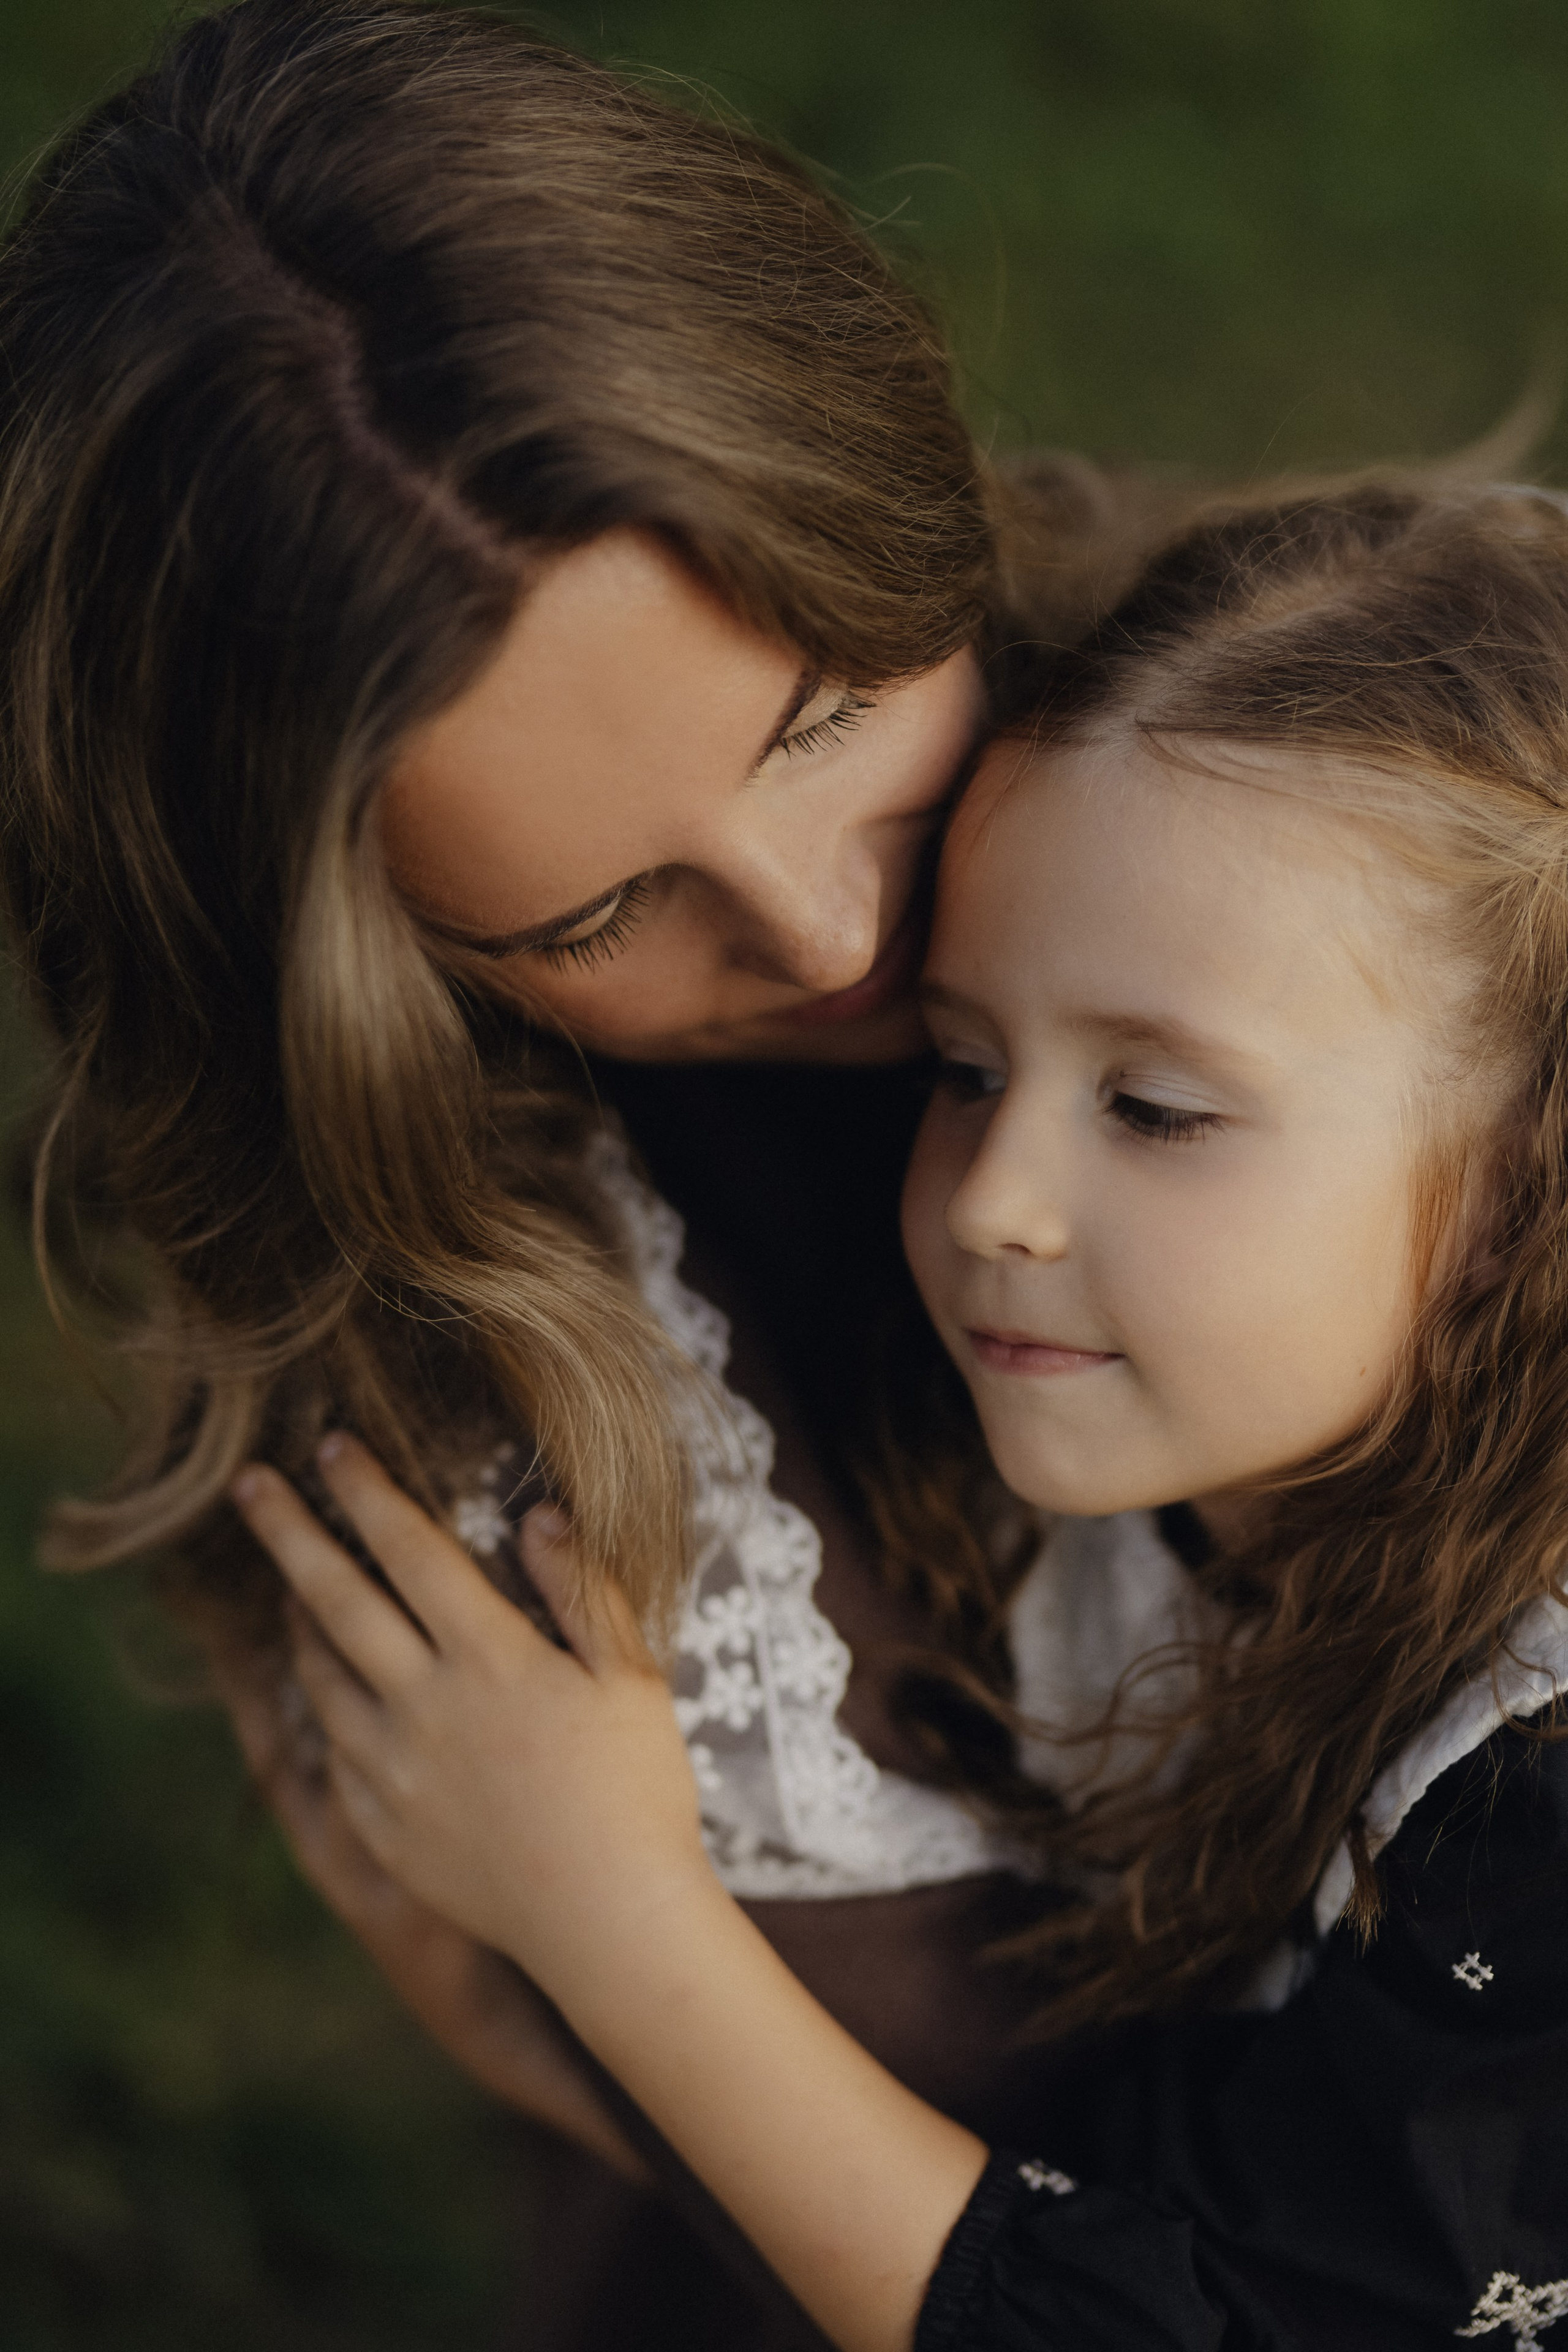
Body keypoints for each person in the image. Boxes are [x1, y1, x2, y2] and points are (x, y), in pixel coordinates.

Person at [0, 2, 1175, 2340]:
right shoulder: (510, 1444)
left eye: (833, 713)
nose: (838, 932)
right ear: (362, 967)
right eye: (596, 914)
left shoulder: (1358, 801)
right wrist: (584, 1982)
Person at [236, 480, 1568, 2351]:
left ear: (1527, 1185)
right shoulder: (1236, 1460)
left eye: (1158, 1111)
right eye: (962, 1064)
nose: (989, 1198)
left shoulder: (1537, 1797)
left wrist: (610, 1922)